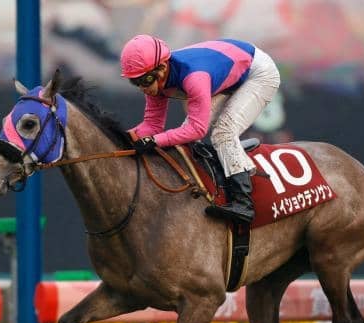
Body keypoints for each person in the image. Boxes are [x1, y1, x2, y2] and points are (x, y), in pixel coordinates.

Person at [119, 34, 281, 224]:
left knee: (223, 132)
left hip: (258, 73)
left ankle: (243, 203)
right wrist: (124, 139)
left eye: (145, 80)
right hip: (230, 68)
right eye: (135, 82)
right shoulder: (155, 75)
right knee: (183, 135)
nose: (142, 88)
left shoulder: (194, 77)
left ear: (162, 67)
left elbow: (197, 129)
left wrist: (154, 141)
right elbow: (152, 126)